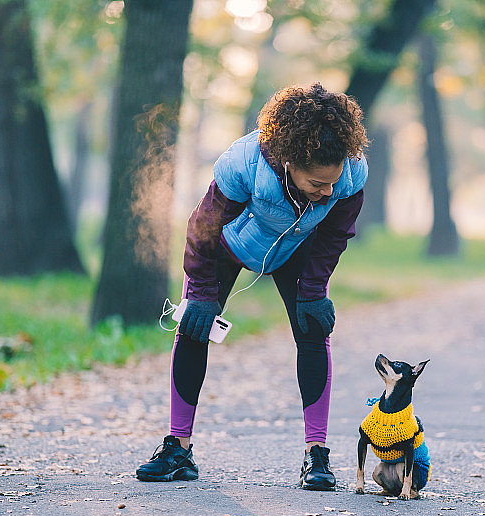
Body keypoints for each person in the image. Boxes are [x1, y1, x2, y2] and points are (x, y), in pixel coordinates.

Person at [136, 83, 369, 490]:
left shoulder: (350, 174)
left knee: (313, 330)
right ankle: (178, 449)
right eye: (317, 183)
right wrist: (204, 295)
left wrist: (314, 289)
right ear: (291, 162)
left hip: (298, 248)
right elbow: (203, 228)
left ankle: (317, 455)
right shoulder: (245, 163)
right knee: (193, 328)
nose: (327, 191)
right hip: (227, 246)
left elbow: (334, 236)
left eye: (331, 183)